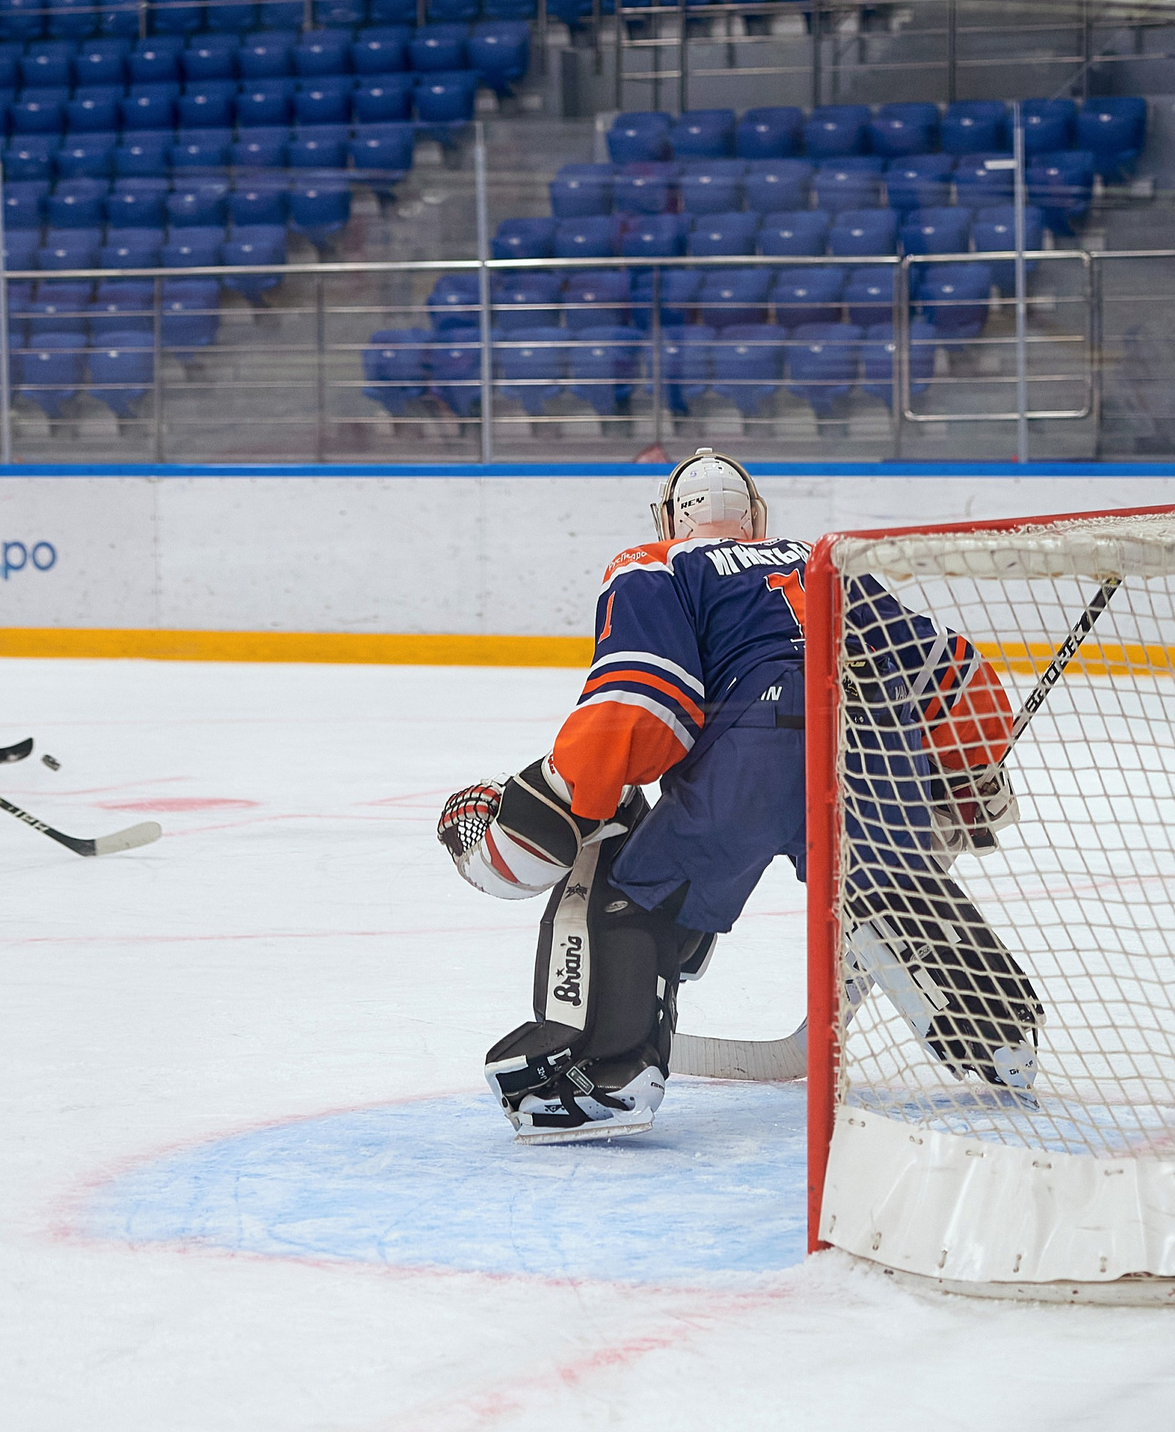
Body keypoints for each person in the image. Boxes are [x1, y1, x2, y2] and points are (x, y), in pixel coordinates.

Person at [434, 449, 1039, 1144]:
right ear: (756, 518)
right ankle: (996, 1032)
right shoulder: (823, 560)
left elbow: (641, 706)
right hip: (877, 746)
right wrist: (966, 778)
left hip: (754, 754)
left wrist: (545, 808)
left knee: (627, 883)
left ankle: (599, 1075)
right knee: (889, 880)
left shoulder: (657, 562)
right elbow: (953, 678)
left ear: (670, 517)